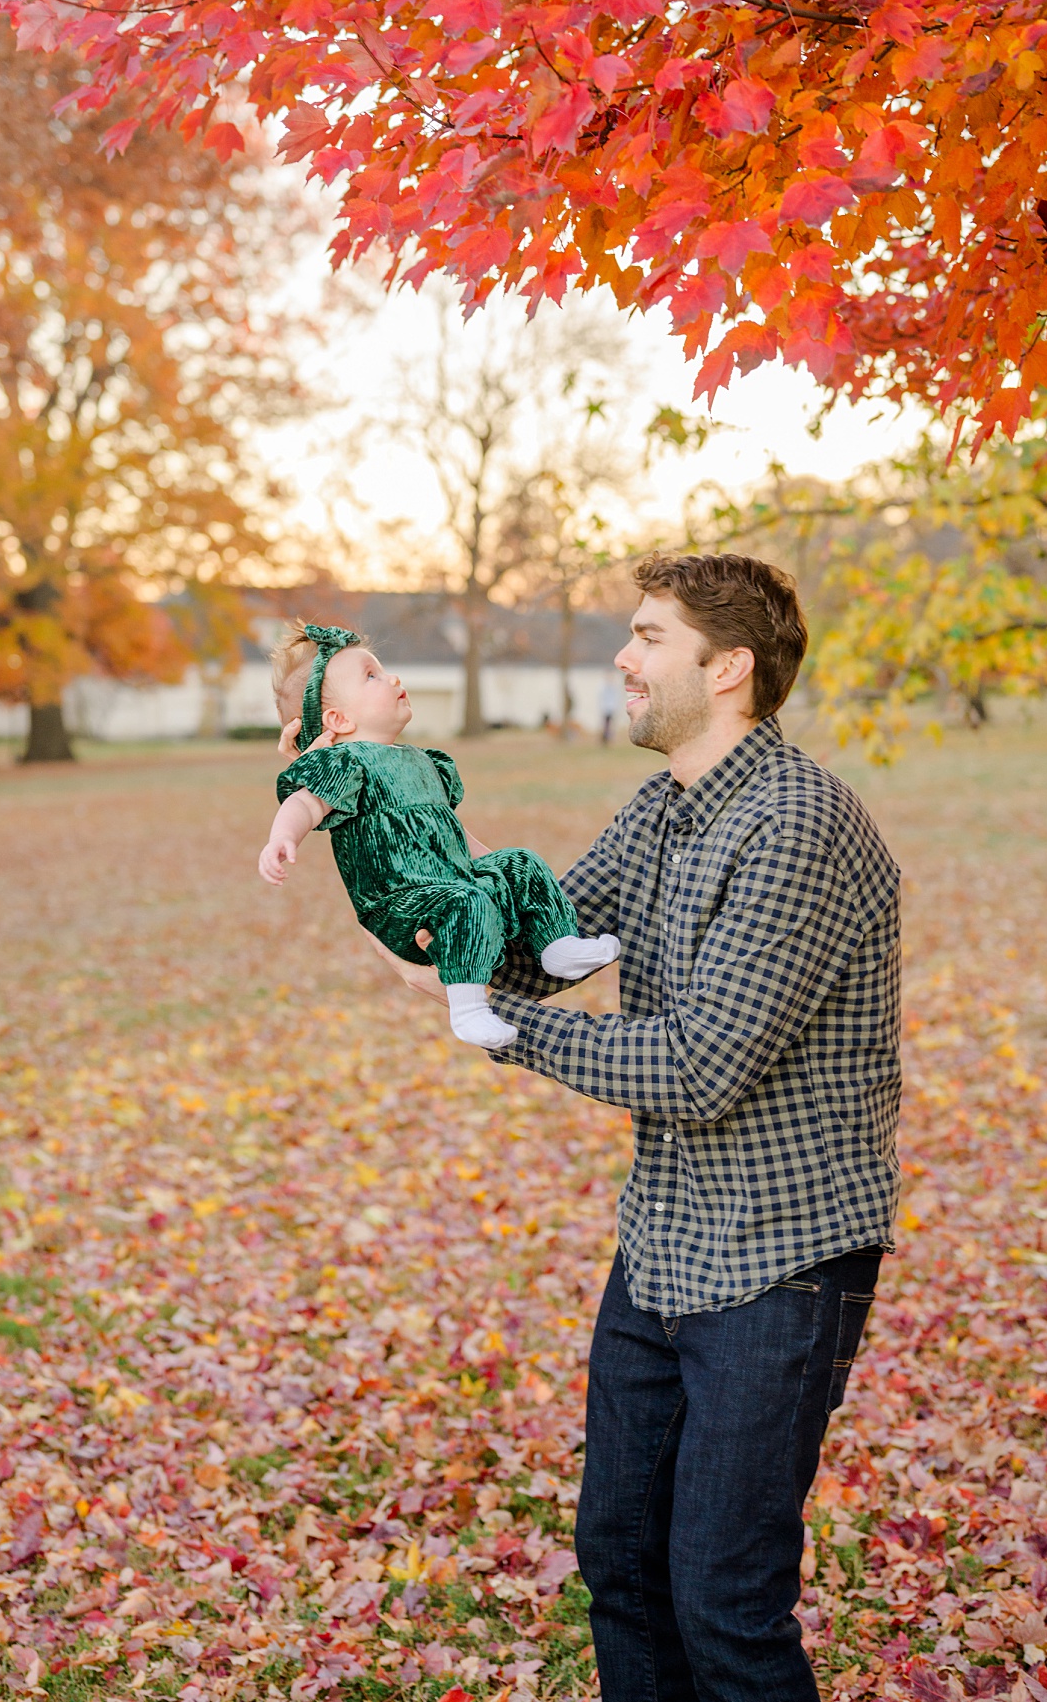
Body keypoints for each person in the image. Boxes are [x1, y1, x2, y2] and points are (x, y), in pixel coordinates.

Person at [370, 553, 901, 1701]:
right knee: (621, 1562)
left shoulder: (798, 824)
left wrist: (497, 1026)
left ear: (729, 670)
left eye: (650, 635)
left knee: (724, 1598)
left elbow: (702, 1064)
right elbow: (533, 942)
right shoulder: (662, 810)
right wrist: (387, 856)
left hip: (781, 1260)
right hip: (665, 1244)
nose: (623, 655)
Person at [256, 622, 619, 1049]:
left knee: (520, 862)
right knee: (464, 902)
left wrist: (495, 873)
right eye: (371, 675)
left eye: (384, 669)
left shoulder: (421, 762)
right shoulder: (346, 763)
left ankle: (558, 945)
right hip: (401, 905)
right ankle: (468, 1009)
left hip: (453, 885)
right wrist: (283, 837)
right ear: (338, 719)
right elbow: (304, 802)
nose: (392, 678)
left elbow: (454, 834)